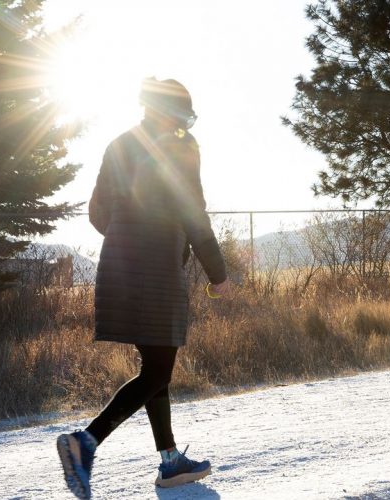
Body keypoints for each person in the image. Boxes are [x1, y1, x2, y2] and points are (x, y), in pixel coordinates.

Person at [56, 78, 231, 500]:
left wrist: (124, 240)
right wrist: (217, 271)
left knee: (155, 363)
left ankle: (170, 463)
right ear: (168, 112)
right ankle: (85, 442)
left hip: (119, 267)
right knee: (158, 370)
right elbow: (194, 210)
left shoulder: (119, 144)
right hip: (156, 270)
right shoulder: (183, 146)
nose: (186, 123)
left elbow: (97, 212)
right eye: (184, 114)